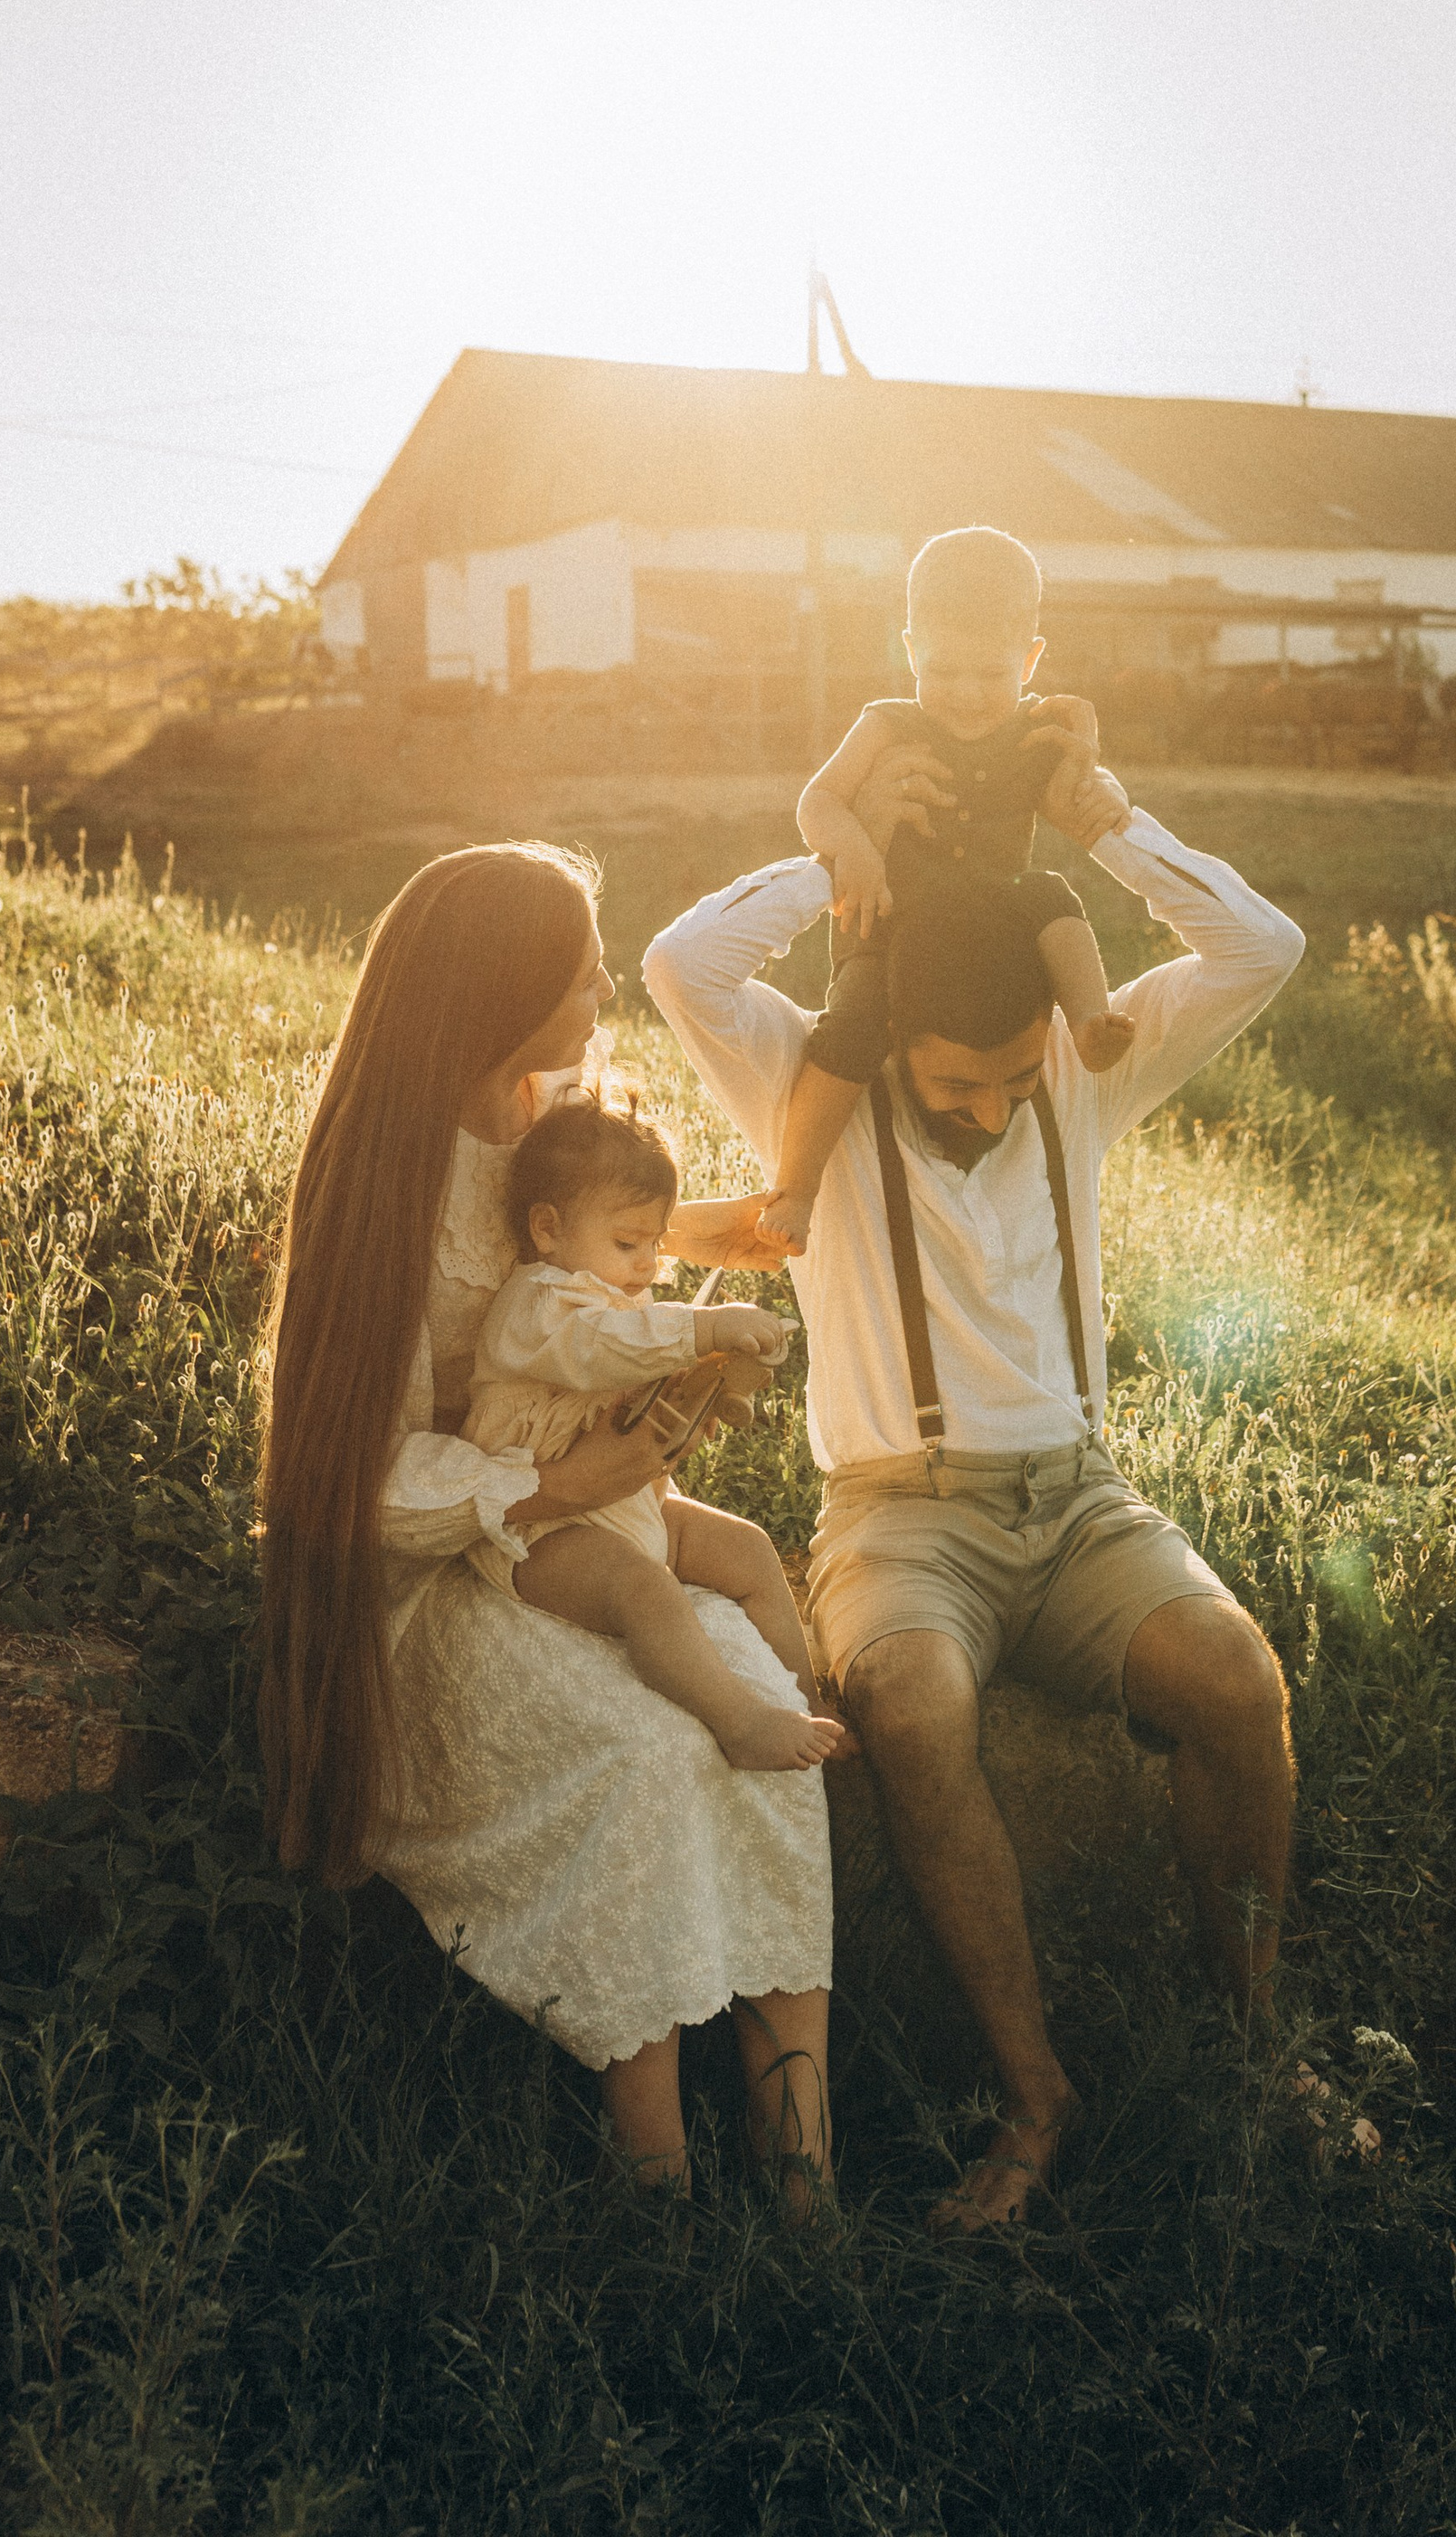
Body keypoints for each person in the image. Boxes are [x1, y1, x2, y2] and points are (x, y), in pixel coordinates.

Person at [646, 739, 1304, 2229]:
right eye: (964, 1083)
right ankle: (1035, 2093)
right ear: (889, 1050)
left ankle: (1253, 2043)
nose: (1003, 1109)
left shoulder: (1073, 1071)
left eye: (1020, 1082)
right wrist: (838, 847)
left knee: (1236, 1677)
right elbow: (683, 964)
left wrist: (1109, 818)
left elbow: (1263, 945)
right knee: (914, 1698)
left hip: (1082, 1504)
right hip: (895, 1512)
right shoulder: (806, 1087)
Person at [257, 842, 835, 2206]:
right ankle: (656, 2184)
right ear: (498, 994)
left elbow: (581, 1248)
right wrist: (556, 1487)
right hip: (457, 1566)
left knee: (762, 1727)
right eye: (576, 968)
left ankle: (799, 2160)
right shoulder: (384, 1183)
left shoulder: (559, 1097)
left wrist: (688, 1318)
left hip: (606, 1521)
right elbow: (361, 1486)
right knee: (643, 1754)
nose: (597, 986)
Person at [758, 526, 1134, 1253]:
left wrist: (1100, 774)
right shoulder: (887, 723)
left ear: (1029, 660)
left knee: (1051, 893)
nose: (965, 695)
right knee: (858, 1022)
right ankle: (797, 1185)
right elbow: (818, 800)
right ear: (910, 652)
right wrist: (855, 848)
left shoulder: (1034, 732)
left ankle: (1091, 1022)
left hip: (995, 923)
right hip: (894, 917)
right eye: (944, 671)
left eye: (990, 675)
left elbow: (1079, 790)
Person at [464, 1089, 844, 1772]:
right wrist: (702, 1327)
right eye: (627, 1243)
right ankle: (740, 1721)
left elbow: (641, 1375)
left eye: (656, 1242)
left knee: (750, 1549)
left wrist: (712, 1384)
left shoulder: (615, 1299)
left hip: (626, 1504)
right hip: (543, 1531)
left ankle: (814, 1704)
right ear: (548, 1229)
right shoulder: (540, 1306)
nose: (647, 1264)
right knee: (643, 1589)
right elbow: (606, 1347)